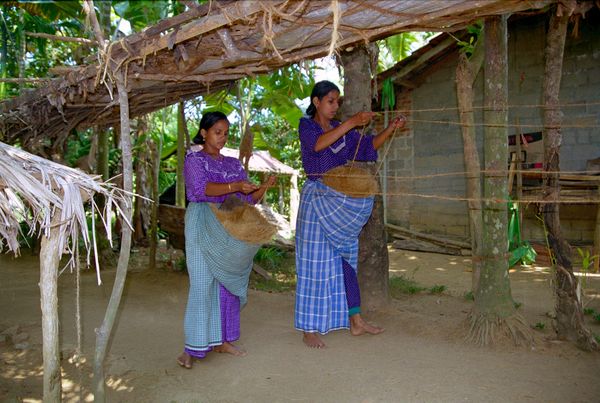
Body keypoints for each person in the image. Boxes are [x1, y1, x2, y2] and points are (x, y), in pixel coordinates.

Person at [295, 80, 406, 348]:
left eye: (337, 102)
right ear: (316, 102)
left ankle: (356, 320)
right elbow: (318, 146)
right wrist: (352, 121)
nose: (335, 106)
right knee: (312, 265)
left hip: (340, 201)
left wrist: (390, 129)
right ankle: (309, 328)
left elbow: (368, 147)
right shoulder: (306, 125)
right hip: (316, 200)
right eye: (330, 101)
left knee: (346, 260)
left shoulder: (341, 129)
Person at [177, 111, 275, 368]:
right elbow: (200, 190)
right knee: (201, 283)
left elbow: (246, 201)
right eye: (217, 132)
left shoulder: (233, 164)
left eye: (225, 133)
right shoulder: (194, 160)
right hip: (202, 221)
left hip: (230, 222)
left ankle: (224, 341)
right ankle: (192, 347)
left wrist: (261, 188)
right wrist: (235, 187)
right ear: (204, 133)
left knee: (227, 282)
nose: (222, 138)